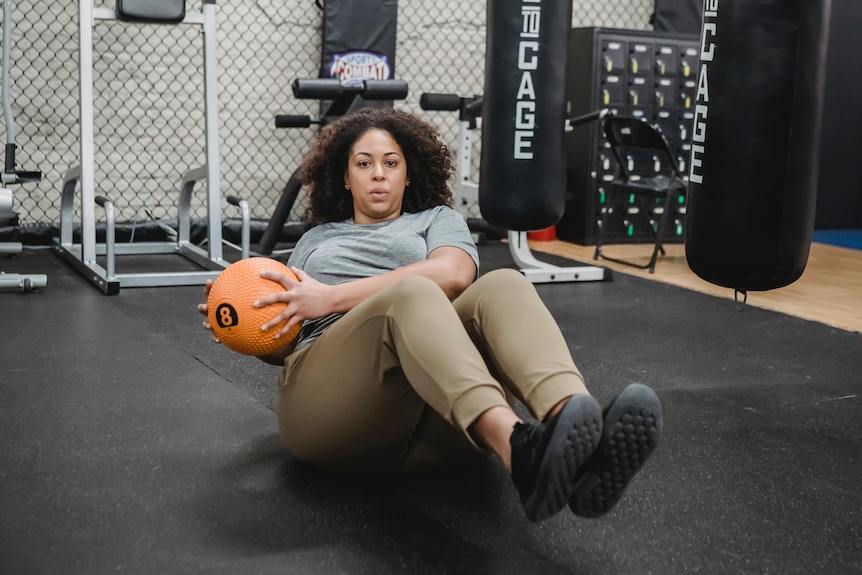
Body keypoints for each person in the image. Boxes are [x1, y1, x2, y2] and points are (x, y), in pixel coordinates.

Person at [198, 107, 663, 522]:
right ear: (345, 177)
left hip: (441, 426)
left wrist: (332, 297)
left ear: (407, 173)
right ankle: (518, 447)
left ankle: (572, 434)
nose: (378, 173)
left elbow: (455, 274)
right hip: (335, 420)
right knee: (412, 294)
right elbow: (287, 344)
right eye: (364, 164)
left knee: (504, 284)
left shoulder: (437, 220)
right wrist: (245, 325)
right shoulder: (316, 241)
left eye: (391, 163)